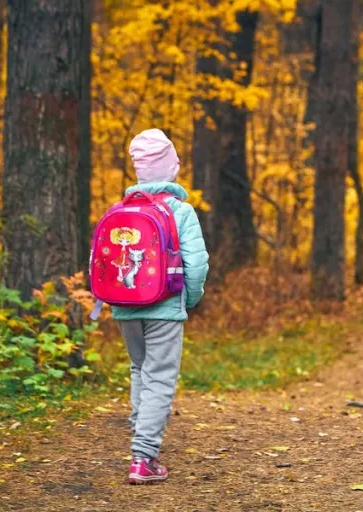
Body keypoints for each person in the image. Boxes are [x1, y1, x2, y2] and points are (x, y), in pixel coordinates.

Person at [114, 128, 209, 484]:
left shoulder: (121, 209)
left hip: (125, 305)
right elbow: (196, 265)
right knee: (160, 377)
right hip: (165, 306)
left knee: (140, 370)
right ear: (172, 168)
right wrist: (190, 298)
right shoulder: (180, 212)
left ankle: (142, 433)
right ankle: (143, 458)